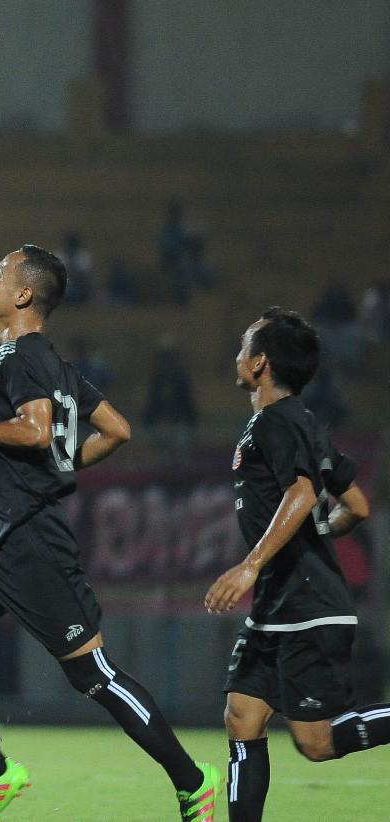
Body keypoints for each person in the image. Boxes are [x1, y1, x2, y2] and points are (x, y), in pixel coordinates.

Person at [0, 246, 219, 820]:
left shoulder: (24, 357)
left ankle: (193, 781)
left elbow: (35, 431)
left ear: (24, 294)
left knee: (91, 676)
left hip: (32, 544)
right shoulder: (47, 364)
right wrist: (62, 467)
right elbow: (116, 429)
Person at [204, 308, 386, 822]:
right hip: (280, 607)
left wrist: (251, 565)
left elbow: (303, 492)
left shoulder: (275, 421)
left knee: (317, 743)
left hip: (306, 607)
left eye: (243, 348)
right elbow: (357, 505)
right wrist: (315, 537)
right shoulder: (304, 422)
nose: (237, 357)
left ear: (259, 363)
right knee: (243, 715)